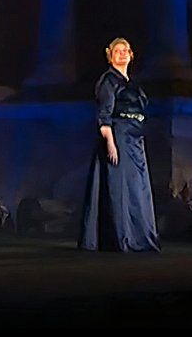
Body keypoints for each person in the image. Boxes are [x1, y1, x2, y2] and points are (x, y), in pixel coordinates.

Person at [80, 38, 159, 252]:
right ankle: (122, 237)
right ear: (110, 56)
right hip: (120, 136)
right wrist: (110, 142)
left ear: (131, 55)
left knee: (138, 189)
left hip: (136, 139)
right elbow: (104, 114)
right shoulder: (109, 81)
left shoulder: (132, 82)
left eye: (126, 50)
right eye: (118, 51)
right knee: (121, 188)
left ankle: (140, 237)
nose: (122, 54)